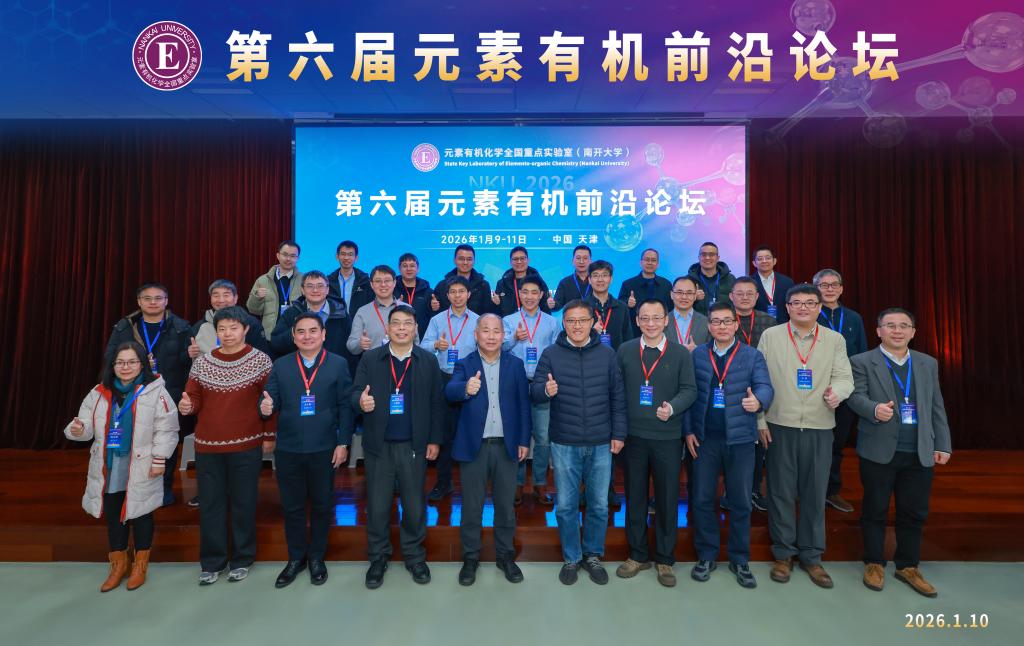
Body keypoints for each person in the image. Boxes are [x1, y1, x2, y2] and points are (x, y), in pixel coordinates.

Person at [847, 308, 952, 598]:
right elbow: (854, 396)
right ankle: (873, 562)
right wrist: (873, 409)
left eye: (904, 326)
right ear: (878, 331)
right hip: (879, 450)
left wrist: (943, 443)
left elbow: (936, 405)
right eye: (890, 325)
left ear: (913, 332)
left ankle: (908, 565)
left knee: (914, 511)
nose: (897, 330)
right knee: (875, 509)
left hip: (919, 450)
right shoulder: (861, 361)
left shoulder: (927, 363)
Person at [757, 284, 853, 589]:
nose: (803, 308)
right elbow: (758, 380)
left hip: (819, 426)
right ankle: (783, 554)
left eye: (810, 303)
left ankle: (812, 556)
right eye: (796, 303)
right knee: (780, 491)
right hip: (779, 424)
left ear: (819, 307)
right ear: (787, 307)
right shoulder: (771, 336)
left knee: (814, 492)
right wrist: (760, 420)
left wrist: (837, 393)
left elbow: (845, 377)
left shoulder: (834, 339)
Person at [64, 341, 179, 592]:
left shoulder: (155, 392)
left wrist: (159, 459)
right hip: (110, 465)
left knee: (141, 513)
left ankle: (140, 565)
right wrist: (78, 429)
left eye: (132, 362)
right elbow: (85, 424)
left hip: (142, 464)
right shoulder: (99, 392)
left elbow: (167, 429)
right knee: (114, 513)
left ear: (142, 364)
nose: (126, 367)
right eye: (120, 362)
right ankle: (118, 564)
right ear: (112, 365)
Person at [531, 300, 627, 586]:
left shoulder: (607, 354)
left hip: (601, 442)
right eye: (571, 321)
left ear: (592, 322)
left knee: (598, 505)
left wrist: (619, 434)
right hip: (565, 442)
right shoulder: (550, 354)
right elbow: (535, 391)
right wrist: (545, 390)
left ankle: (593, 555)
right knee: (565, 506)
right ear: (563, 323)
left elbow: (618, 398)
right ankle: (571, 557)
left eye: (582, 320)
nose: (576, 326)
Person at [179, 306, 275, 585]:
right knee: (211, 504)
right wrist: (187, 406)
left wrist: (269, 436)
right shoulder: (203, 363)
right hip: (208, 446)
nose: (228, 333)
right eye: (222, 329)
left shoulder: (261, 361)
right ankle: (212, 562)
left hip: (246, 445)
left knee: (244, 504)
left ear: (246, 329)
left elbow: (270, 402)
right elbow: (193, 399)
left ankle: (242, 559)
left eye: (234, 328)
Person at [353, 305, 444, 589]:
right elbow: (354, 392)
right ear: (388, 328)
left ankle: (415, 557)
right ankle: (378, 558)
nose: (402, 328)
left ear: (416, 328)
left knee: (414, 505)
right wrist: (360, 402)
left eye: (407, 323)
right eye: (396, 323)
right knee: (378, 506)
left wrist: (434, 440)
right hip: (378, 446)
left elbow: (437, 403)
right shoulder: (371, 358)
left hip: (414, 445)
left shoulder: (428, 360)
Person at [260, 312, 354, 588]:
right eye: (301, 331)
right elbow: (269, 402)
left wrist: (343, 442)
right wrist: (265, 408)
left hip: (324, 447)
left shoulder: (338, 364)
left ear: (323, 334)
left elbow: (346, 406)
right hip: (288, 448)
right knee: (292, 506)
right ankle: (295, 558)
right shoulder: (281, 365)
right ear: (293, 337)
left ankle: (316, 558)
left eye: (313, 331)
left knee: (322, 505)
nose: (307, 336)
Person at [684, 302, 773, 589]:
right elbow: (688, 394)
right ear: (709, 326)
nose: (721, 326)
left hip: (741, 440)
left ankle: (739, 559)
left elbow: (765, 386)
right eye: (715, 321)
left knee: (740, 501)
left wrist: (759, 400)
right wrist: (688, 430)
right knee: (702, 499)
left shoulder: (752, 355)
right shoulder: (698, 355)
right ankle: (706, 555)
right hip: (705, 440)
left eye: (726, 321)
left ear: (736, 325)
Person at [445, 314, 532, 586]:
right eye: (486, 330)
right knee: (472, 507)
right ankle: (470, 558)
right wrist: (465, 388)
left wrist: (523, 440)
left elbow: (523, 405)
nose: (491, 336)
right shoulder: (464, 363)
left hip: (507, 446)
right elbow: (450, 391)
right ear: (476, 334)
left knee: (505, 507)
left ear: (503, 336)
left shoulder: (515, 365)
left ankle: (505, 556)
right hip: (475, 447)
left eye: (496, 331)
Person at [615, 299, 696, 587]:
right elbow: (617, 391)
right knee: (635, 498)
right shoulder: (625, 351)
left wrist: (672, 407)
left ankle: (664, 559)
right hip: (633, 438)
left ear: (666, 320)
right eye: (645, 318)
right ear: (637, 321)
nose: (651, 323)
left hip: (667, 438)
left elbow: (690, 390)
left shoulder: (680, 353)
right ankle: (637, 555)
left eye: (656, 318)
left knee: (667, 498)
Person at [104, 282, 191, 506]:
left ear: (166, 301)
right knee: (134, 440)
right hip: (132, 393)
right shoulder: (124, 328)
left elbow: (187, 365)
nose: (153, 302)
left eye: (158, 298)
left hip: (168, 394)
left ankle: (164, 489)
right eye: (147, 298)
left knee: (166, 442)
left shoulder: (181, 327)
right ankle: (130, 487)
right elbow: (110, 358)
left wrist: (191, 355)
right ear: (139, 302)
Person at [814, 268, 868, 514]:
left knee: (837, 444)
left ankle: (831, 491)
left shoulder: (854, 318)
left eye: (834, 285)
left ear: (841, 288)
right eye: (823, 285)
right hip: (815, 389)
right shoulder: (809, 314)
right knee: (813, 443)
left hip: (845, 390)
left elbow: (862, 353)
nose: (829, 289)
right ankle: (809, 489)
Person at [502, 276, 561, 506]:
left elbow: (557, 352)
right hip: (515, 384)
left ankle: (540, 483)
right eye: (525, 292)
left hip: (541, 384)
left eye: (534, 292)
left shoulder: (552, 322)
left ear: (542, 295)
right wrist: (514, 338)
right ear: (519, 294)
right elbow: (499, 347)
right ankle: (517, 484)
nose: (529, 296)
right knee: (518, 433)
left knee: (543, 436)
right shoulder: (508, 321)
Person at [421, 276, 480, 501]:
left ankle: (472, 484)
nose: (457, 296)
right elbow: (423, 346)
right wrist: (436, 345)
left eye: (461, 291)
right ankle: (443, 482)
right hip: (444, 378)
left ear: (468, 294)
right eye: (453, 292)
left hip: (470, 380)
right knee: (444, 433)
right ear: (447, 295)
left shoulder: (478, 320)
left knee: (471, 432)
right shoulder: (437, 320)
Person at [728, 276, 779, 512]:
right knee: (731, 445)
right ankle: (731, 492)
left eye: (750, 293)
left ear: (757, 296)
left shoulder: (770, 322)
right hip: (731, 389)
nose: (745, 297)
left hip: (761, 387)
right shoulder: (724, 319)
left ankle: (754, 490)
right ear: (731, 296)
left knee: (759, 445)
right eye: (739, 293)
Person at [586, 259, 632, 509]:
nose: (600, 279)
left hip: (615, 375)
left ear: (611, 279)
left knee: (610, 432)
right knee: (588, 434)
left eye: (604, 275)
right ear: (589, 279)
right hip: (588, 374)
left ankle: (609, 488)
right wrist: (591, 331)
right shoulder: (581, 307)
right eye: (596, 275)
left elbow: (628, 341)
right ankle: (586, 489)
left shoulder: (621, 308)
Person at [347, 265, 417, 364]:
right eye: (378, 281)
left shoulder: (407, 309)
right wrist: (360, 344)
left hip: (405, 365)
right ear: (371, 284)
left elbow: (416, 341)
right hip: (374, 366)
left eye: (387, 281)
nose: (383, 285)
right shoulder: (362, 312)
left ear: (394, 283)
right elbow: (351, 346)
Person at [271, 270, 349, 358]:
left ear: (327, 289)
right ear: (302, 290)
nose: (315, 290)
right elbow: (275, 343)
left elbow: (349, 349)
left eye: (320, 286)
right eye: (310, 286)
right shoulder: (292, 313)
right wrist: (296, 330)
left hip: (333, 365)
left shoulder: (341, 313)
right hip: (299, 365)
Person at [190, 279, 269, 355]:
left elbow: (262, 354)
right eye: (216, 296)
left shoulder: (251, 323)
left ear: (235, 298)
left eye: (226, 295)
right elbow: (187, 356)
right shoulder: (201, 325)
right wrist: (189, 353)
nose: (221, 300)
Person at [246, 240, 303, 340]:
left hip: (296, 336)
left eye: (293, 256)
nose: (288, 259)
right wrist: (257, 297)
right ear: (278, 256)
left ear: (298, 258)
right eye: (285, 254)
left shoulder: (304, 280)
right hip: (270, 335)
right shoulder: (263, 280)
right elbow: (253, 310)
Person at [617, 248, 673, 336]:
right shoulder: (628, 284)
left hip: (661, 332)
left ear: (658, 264)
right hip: (634, 333)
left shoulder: (666, 284)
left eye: (653, 260)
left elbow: (671, 309)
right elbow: (619, 307)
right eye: (647, 260)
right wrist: (627, 303)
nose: (650, 263)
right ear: (641, 262)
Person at [432, 244, 494, 315]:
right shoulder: (442, 285)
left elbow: (488, 313)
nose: (465, 262)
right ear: (454, 260)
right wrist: (433, 307)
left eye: (469, 259)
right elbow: (434, 312)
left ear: (474, 261)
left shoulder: (483, 285)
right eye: (461, 259)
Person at [492, 246, 552, 317]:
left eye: (522, 258)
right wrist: (496, 304)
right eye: (515, 259)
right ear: (510, 262)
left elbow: (546, 310)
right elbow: (497, 314)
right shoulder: (502, 284)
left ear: (528, 260)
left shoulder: (538, 282)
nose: (519, 262)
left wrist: (549, 304)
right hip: (509, 323)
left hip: (533, 322)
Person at [688, 241, 737, 315]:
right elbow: (679, 306)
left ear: (718, 258)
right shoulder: (689, 280)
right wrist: (693, 299)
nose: (707, 258)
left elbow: (737, 304)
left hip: (723, 321)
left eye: (711, 255)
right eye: (703, 255)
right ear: (699, 257)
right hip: (697, 321)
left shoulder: (731, 279)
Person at [327, 240, 372, 317]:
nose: (346, 258)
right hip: (336, 321)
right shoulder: (328, 281)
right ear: (337, 256)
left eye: (350, 254)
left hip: (359, 321)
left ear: (356, 258)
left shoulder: (365, 281)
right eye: (343, 254)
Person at [750, 246, 794, 323]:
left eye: (768, 258)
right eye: (760, 259)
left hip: (783, 324)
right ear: (754, 263)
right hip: (757, 325)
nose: (764, 261)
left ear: (774, 261)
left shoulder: (787, 282)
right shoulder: (749, 282)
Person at [394, 252, 433, 338]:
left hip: (421, 340)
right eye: (405, 266)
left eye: (412, 266)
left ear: (418, 268)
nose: (408, 269)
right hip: (397, 338)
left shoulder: (428, 292)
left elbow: (433, 318)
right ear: (399, 269)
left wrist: (435, 309)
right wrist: (393, 307)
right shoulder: (391, 290)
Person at [666, 276, 710, 350]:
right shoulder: (661, 321)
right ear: (671, 295)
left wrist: (698, 351)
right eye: (679, 292)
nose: (684, 297)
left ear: (695, 296)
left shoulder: (706, 322)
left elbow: (712, 350)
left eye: (689, 293)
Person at [549, 244, 592, 311]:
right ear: (572, 261)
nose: (581, 261)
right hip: (571, 317)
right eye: (578, 258)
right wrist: (552, 304)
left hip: (592, 317)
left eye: (585, 258)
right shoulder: (565, 282)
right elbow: (558, 304)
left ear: (590, 261)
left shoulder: (597, 281)